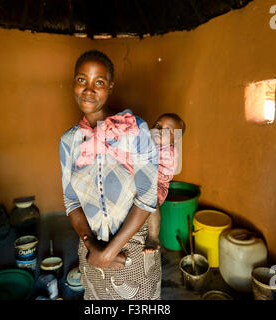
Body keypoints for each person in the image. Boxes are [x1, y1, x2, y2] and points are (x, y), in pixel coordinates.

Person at [59, 50, 161, 300]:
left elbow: (148, 196)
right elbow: (71, 201)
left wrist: (108, 252)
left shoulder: (134, 129)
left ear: (111, 87)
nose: (89, 90)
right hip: (90, 250)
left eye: (99, 82)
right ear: (73, 82)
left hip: (133, 250)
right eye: (82, 80)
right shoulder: (68, 141)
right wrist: (93, 248)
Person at [143, 113, 185, 253]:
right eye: (158, 126)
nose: (160, 130)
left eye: (167, 130)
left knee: (151, 200)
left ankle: (153, 237)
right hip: (141, 179)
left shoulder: (170, 153)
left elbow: (164, 174)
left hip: (157, 185)